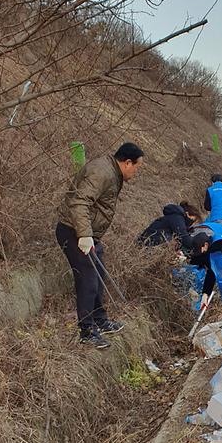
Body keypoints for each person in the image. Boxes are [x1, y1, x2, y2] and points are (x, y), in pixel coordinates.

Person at [55, 142, 144, 348]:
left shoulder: (112, 172)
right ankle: (87, 331)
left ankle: (101, 321)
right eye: (137, 167)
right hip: (73, 231)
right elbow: (79, 202)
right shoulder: (102, 172)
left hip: (87, 234)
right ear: (127, 163)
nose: (136, 172)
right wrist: (84, 236)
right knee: (88, 279)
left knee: (98, 275)